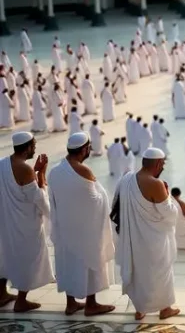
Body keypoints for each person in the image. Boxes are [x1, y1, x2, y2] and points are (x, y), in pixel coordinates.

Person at [48, 132, 116, 316]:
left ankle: (71, 304)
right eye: (89, 148)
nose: (90, 150)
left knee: (68, 264)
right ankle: (91, 304)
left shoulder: (54, 171)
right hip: (85, 230)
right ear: (84, 149)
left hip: (65, 229)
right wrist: (104, 198)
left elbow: (53, 200)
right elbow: (96, 200)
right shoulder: (84, 171)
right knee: (89, 262)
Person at [114, 147, 180, 321]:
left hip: (133, 238)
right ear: (158, 164)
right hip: (154, 239)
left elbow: (117, 206)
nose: (163, 167)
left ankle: (140, 309)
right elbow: (170, 214)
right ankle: (165, 308)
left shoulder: (126, 179)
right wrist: (167, 194)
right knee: (161, 272)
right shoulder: (156, 184)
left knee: (139, 274)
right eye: (163, 164)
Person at [0, 132, 53, 312]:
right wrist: (41, 175)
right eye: (34, 146)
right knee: (29, 258)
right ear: (27, 148)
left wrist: (34, 171)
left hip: (5, 221)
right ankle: (21, 301)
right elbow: (39, 199)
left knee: (4, 256)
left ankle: (1, 294)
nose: (35, 149)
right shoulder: (25, 169)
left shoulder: (2, 163)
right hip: (24, 224)